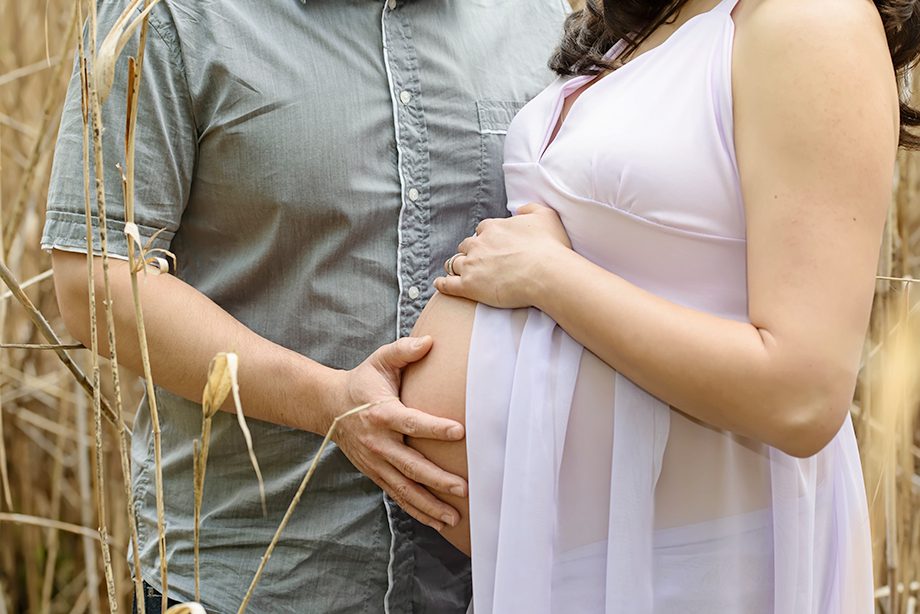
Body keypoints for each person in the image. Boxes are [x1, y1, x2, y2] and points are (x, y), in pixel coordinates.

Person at [43, 0, 569, 611]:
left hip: (498, 584)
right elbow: (93, 285)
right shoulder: (167, 16)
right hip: (259, 573)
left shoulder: (546, 17)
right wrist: (329, 403)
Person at [402, 0, 920, 611]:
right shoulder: (648, 22)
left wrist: (547, 276)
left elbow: (801, 395)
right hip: (569, 558)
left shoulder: (811, 19)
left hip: (691, 563)